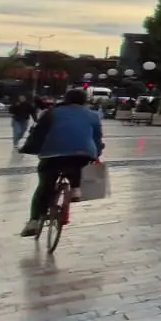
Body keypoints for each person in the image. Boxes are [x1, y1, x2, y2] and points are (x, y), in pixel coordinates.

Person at [18, 87, 104, 236]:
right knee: (81, 164)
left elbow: (37, 133)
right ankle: (77, 189)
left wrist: (27, 148)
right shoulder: (94, 115)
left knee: (45, 185)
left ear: (66, 99)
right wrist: (96, 154)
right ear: (85, 101)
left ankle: (33, 221)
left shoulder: (51, 112)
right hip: (84, 153)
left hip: (52, 154)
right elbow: (97, 138)